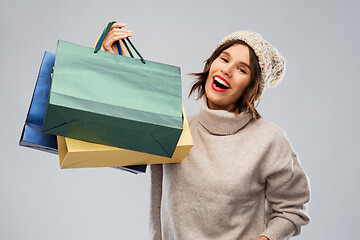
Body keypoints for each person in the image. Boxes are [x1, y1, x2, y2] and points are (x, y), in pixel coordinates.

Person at [103, 22, 311, 240]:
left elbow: (292, 209)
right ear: (210, 64)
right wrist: (116, 69)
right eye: (224, 58)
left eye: (242, 69)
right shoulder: (175, 129)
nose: (227, 70)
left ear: (252, 87)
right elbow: (120, 140)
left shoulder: (269, 140)